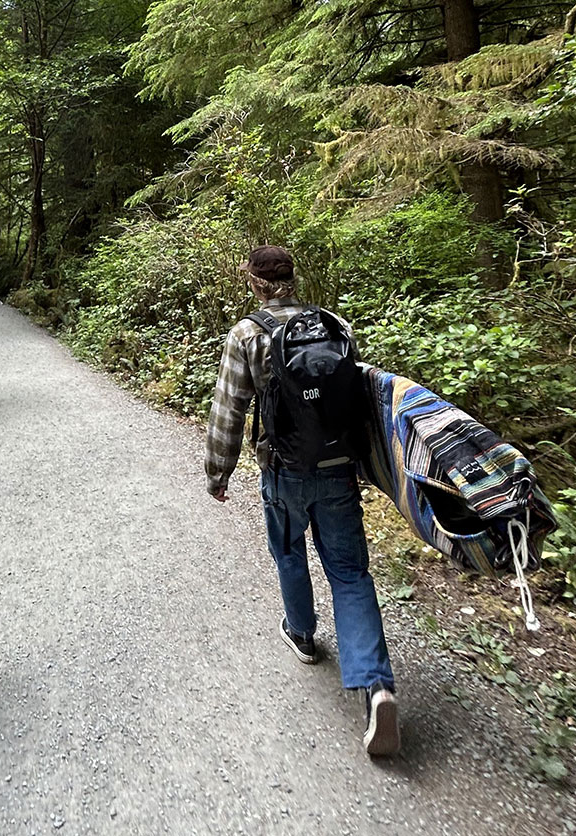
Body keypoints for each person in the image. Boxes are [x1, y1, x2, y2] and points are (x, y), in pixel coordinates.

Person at [204, 245, 399, 756]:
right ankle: (376, 686)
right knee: (351, 573)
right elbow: (359, 399)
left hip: (283, 471)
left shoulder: (248, 334)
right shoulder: (333, 324)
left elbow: (229, 410)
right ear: (293, 278)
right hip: (338, 471)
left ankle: (303, 634)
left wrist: (218, 474)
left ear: (253, 282)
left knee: (288, 551)